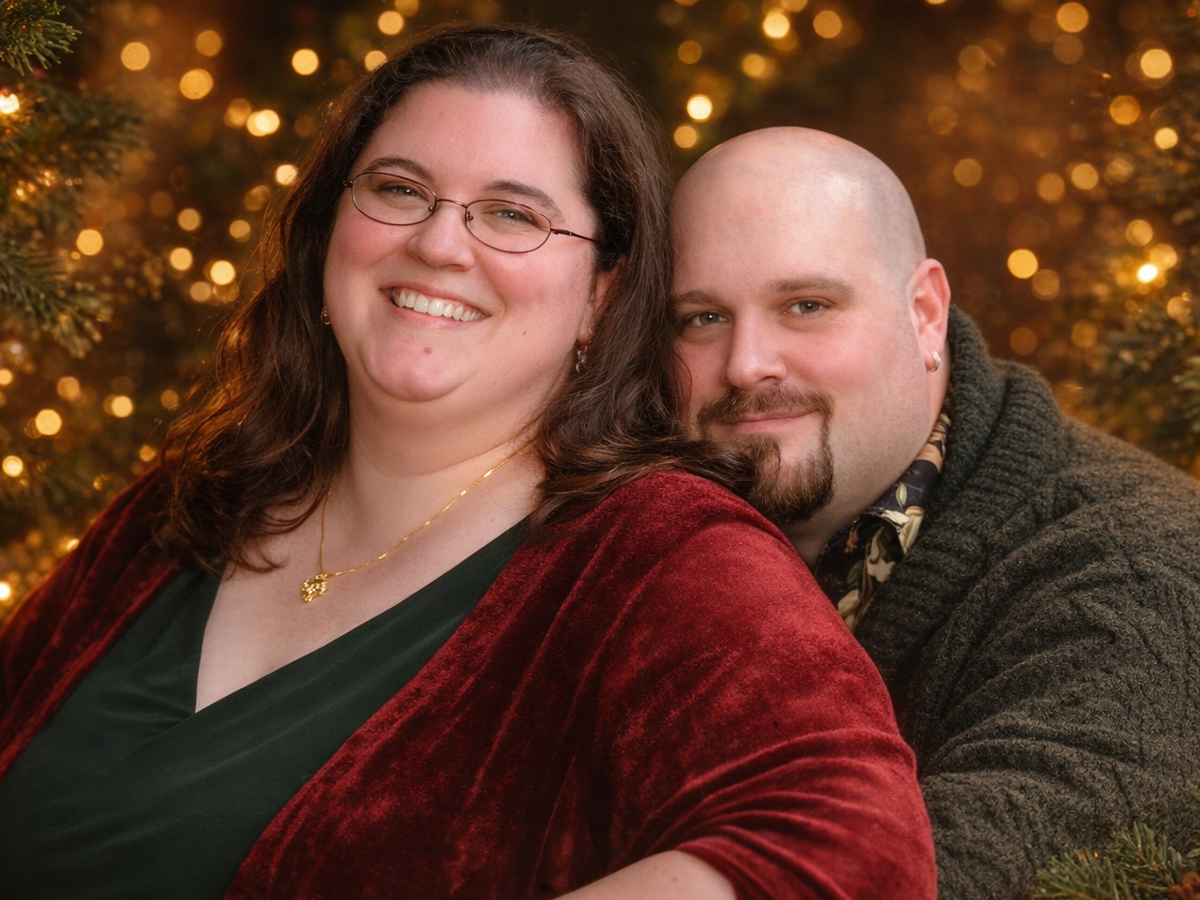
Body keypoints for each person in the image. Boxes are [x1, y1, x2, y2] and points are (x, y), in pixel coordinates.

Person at [0, 28, 937, 900]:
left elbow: (857, 851)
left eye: (513, 214)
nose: (439, 244)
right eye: (399, 190)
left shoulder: (662, 554)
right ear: (330, 229)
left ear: (601, 297)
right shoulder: (189, 503)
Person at [670, 125, 1200, 900]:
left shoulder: (1137, 574)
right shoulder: (634, 540)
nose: (746, 364)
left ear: (924, 313)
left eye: (806, 305)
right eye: (702, 319)